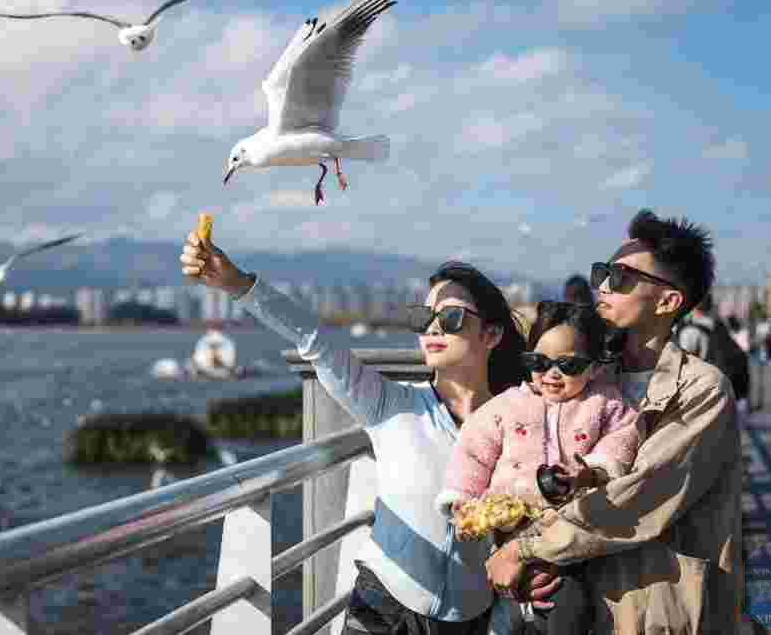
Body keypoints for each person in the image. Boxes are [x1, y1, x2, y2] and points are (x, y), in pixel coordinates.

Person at [179, 230, 541, 634]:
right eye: (423, 318)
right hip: (382, 611)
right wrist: (236, 283)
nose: (433, 329)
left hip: (471, 620)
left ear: (491, 335)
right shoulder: (390, 403)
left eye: (451, 318)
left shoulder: (519, 421)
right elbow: (315, 340)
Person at [485, 209, 742, 635]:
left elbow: (640, 497)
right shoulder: (583, 377)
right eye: (601, 273)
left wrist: (527, 550)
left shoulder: (702, 390)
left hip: (659, 612)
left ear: (668, 301)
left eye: (620, 278)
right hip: (582, 606)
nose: (602, 286)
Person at [436, 301, 641, 635]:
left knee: (569, 607)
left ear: (593, 367)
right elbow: (472, 453)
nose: (552, 374)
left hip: (573, 541)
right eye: (539, 362)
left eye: (569, 365)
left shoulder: (606, 403)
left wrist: (592, 471)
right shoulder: (505, 407)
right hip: (510, 533)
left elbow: (624, 437)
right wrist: (462, 501)